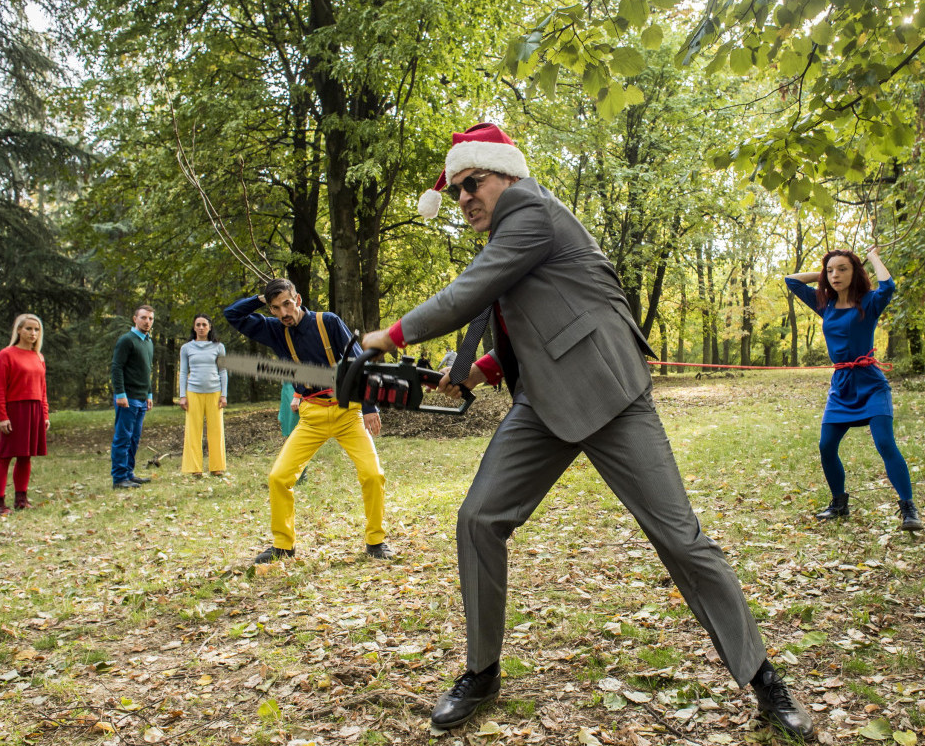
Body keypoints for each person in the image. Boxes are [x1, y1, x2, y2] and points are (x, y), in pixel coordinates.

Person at [361, 123, 815, 740]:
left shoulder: (532, 209)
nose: (465, 196)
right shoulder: (509, 236)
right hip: (543, 406)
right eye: (457, 188)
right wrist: (479, 369)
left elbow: (471, 293)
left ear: (508, 176)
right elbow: (535, 316)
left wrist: (391, 336)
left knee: (681, 540)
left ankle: (765, 681)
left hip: (610, 396)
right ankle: (483, 671)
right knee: (479, 519)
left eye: (474, 182)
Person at [224, 279, 392, 563]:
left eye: (287, 304)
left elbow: (358, 362)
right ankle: (283, 545)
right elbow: (233, 315)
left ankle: (376, 541)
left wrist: (369, 406)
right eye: (276, 307)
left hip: (347, 413)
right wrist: (260, 299)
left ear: (298, 299)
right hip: (311, 416)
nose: (283, 312)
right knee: (279, 477)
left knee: (372, 475)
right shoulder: (275, 330)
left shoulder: (327, 322)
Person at [784, 246, 923, 531]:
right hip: (842, 386)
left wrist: (871, 256)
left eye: (843, 269)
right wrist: (822, 274)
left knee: (885, 443)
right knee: (826, 446)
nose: (835, 275)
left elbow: (888, 285)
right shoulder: (825, 304)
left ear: (855, 272)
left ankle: (908, 509)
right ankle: (839, 503)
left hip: (871, 384)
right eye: (831, 270)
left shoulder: (869, 302)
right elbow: (792, 280)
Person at [0, 314, 50, 515]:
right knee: (5, 456)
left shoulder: (39, 356)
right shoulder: (6, 354)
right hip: (15, 410)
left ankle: (21, 500)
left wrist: (45, 414)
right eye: (28, 329)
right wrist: (3, 416)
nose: (33, 333)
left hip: (34, 410)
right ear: (18, 330)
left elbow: (42, 389)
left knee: (25, 457)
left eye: (36, 330)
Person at [110, 305, 155, 489]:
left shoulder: (148, 341)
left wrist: (149, 394)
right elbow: (116, 367)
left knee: (134, 438)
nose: (147, 322)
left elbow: (147, 370)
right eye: (144, 318)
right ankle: (119, 478)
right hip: (127, 398)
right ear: (134, 319)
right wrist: (120, 394)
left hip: (142, 398)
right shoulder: (127, 340)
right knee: (123, 438)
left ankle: (129, 473)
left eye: (151, 319)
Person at [179, 314, 228, 476]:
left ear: (209, 327)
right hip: (193, 392)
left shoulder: (218, 347)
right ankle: (195, 468)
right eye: (198, 325)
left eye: (204, 325)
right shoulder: (186, 348)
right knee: (193, 430)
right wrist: (182, 395)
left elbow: (223, 371)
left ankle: (217, 467)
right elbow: (184, 371)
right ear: (194, 327)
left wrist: (224, 394)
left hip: (215, 392)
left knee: (216, 430)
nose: (201, 327)